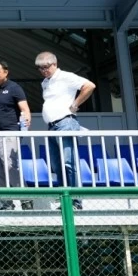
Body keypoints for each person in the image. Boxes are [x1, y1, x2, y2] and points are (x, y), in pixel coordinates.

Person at [36, 51, 95, 209]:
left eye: (46, 67)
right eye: (40, 68)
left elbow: (89, 86)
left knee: (69, 163)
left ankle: (76, 201)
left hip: (65, 122)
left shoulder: (66, 77)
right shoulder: (45, 82)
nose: (43, 70)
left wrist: (75, 104)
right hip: (52, 126)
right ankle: (65, 200)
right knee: (57, 165)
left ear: (54, 64)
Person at [0, 61, 32, 210]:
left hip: (10, 132)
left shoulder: (14, 88)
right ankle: (6, 203)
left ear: (6, 72)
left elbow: (25, 110)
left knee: (11, 165)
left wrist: (24, 128)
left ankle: (26, 200)